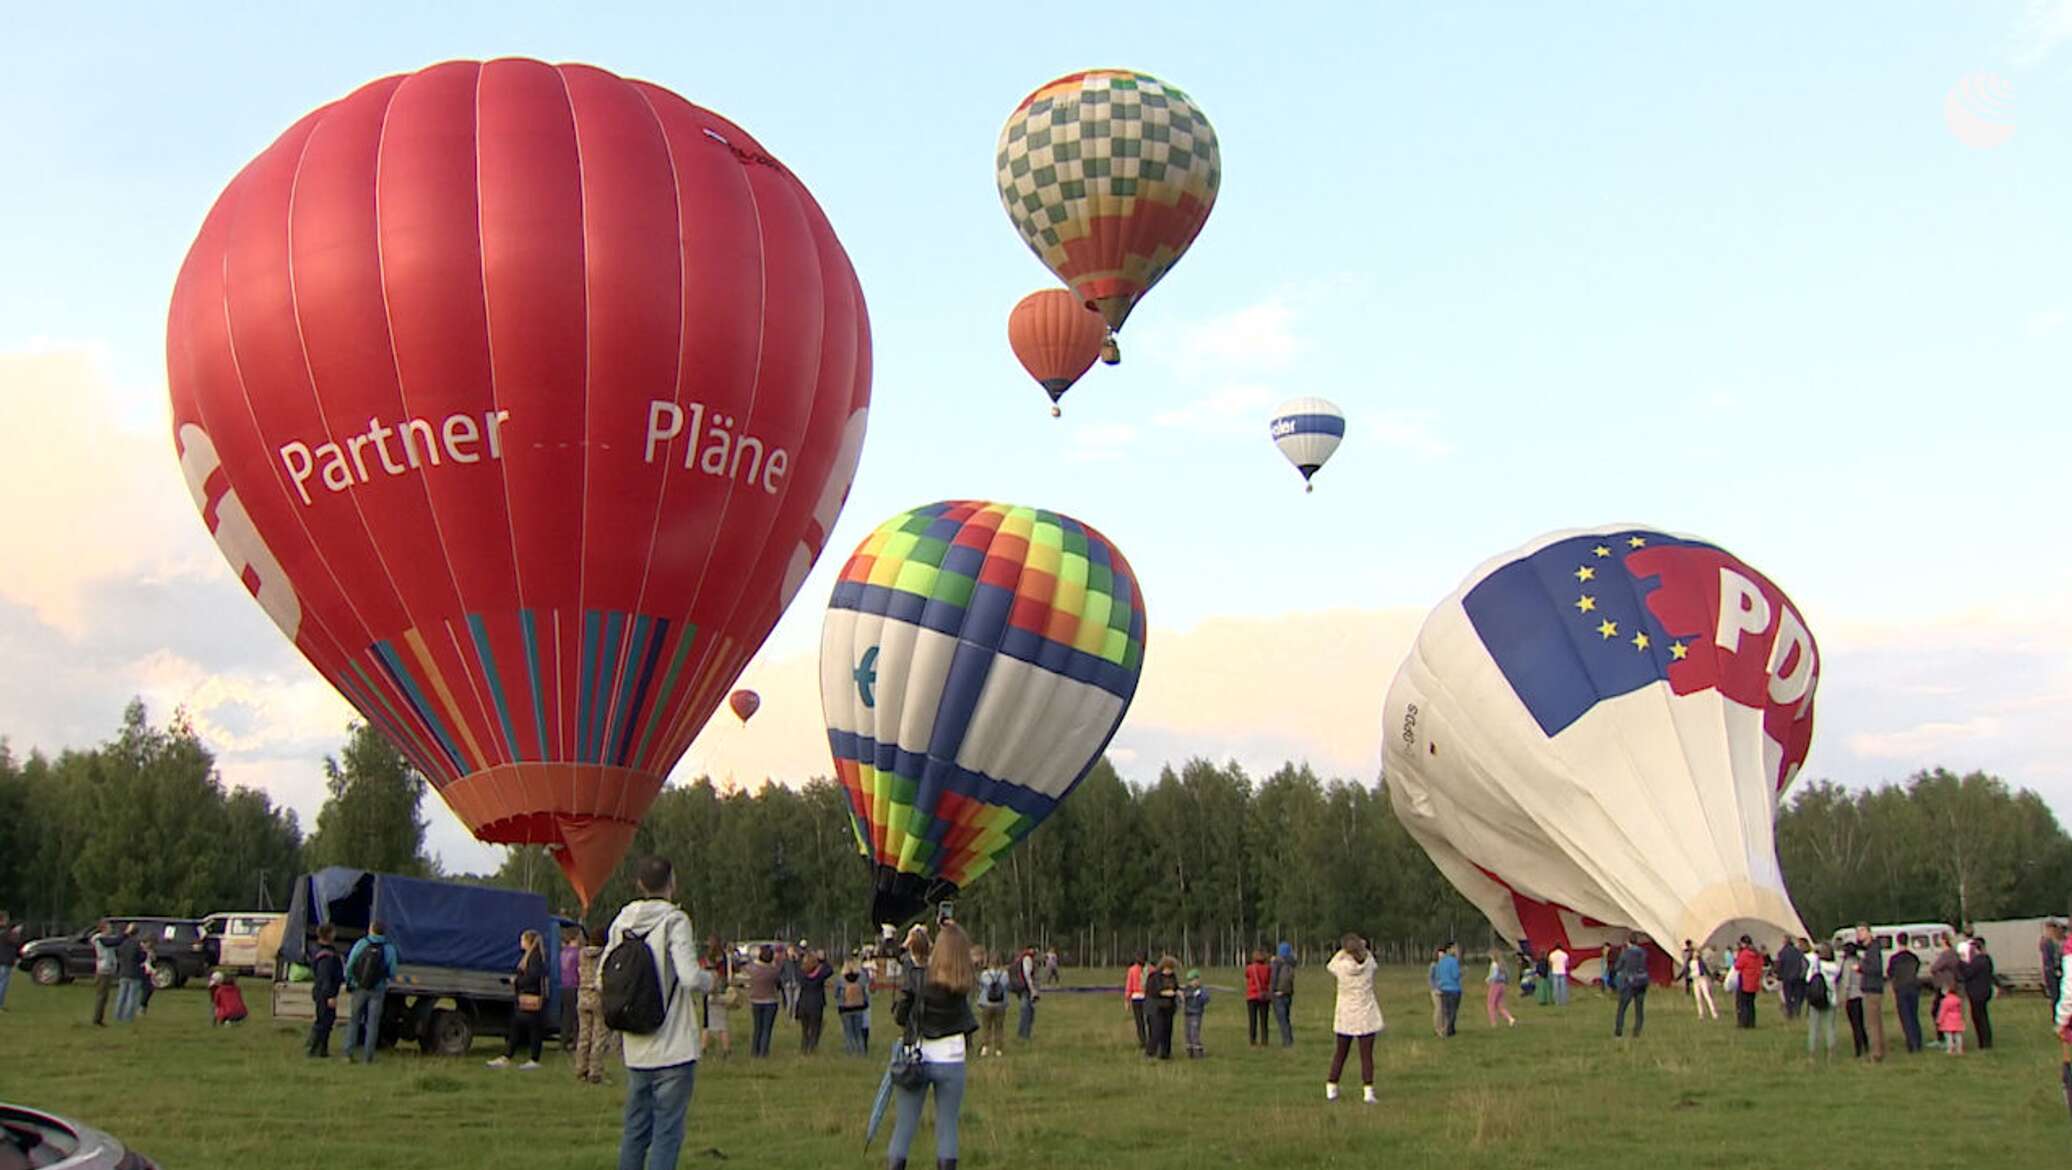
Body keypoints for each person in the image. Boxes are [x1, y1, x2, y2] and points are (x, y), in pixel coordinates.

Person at [608, 856, 713, 1170]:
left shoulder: (622, 921)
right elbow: (691, 977)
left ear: (640, 884)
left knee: (635, 1130)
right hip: (674, 1044)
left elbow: (605, 972)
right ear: (672, 882)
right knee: (667, 1131)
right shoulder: (675, 920)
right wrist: (712, 981)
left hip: (637, 1045)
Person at [888, 920, 979, 1170]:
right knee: (947, 1126)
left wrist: (909, 944)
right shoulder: (964, 981)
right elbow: (956, 953)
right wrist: (953, 930)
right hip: (951, 1056)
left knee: (905, 1126)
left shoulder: (918, 979)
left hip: (917, 1055)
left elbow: (900, 1018)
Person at [1325, 934, 1382, 1105]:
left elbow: (1330, 965)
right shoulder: (1369, 964)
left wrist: (1344, 951)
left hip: (1346, 1015)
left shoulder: (1341, 966)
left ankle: (1331, 1086)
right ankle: (1368, 1092)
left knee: (1340, 1054)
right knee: (1366, 1056)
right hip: (1366, 1015)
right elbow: (1371, 960)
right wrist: (1362, 948)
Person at [488, 928, 549, 1069]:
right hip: (524, 997)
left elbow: (533, 977)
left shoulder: (535, 957)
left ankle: (533, 1059)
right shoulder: (529, 956)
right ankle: (508, 1056)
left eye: (522, 939)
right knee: (516, 1027)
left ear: (528, 941)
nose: (520, 943)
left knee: (532, 1029)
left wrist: (517, 981)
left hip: (530, 998)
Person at [343, 920, 398, 1063]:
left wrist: (350, 981)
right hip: (378, 989)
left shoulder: (362, 944)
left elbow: (350, 964)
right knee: (372, 1023)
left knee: (354, 1020)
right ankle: (368, 1058)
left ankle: (348, 1053)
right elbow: (392, 972)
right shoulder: (389, 949)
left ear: (371, 929)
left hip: (359, 987)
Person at [576, 926, 613, 1084]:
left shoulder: (582, 954)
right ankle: (595, 1072)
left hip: (583, 996)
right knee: (598, 1037)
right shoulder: (605, 954)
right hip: (599, 997)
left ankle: (580, 1068)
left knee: (584, 1035)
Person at [307, 924, 345, 1058]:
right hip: (325, 992)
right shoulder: (327, 955)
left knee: (326, 1020)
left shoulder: (320, 951)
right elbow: (326, 976)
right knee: (324, 1021)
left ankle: (321, 1049)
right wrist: (330, 996)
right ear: (329, 935)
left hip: (321, 990)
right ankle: (315, 1050)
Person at [1852, 923, 1886, 1061]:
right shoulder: (1870, 948)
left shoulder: (1873, 949)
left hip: (1872, 989)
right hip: (1871, 988)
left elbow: (1876, 968)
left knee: (1872, 1023)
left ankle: (1876, 1054)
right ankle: (1877, 1051)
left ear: (1869, 932)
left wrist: (1860, 967)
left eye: (1862, 931)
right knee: (1874, 1022)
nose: (1859, 934)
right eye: (1858, 932)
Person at [1887, 935, 1924, 1054]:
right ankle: (1918, 1042)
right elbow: (1917, 968)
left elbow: (1890, 973)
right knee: (1914, 1016)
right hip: (1913, 987)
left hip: (1901, 988)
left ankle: (1911, 1043)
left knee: (1905, 1017)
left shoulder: (1894, 959)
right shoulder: (1914, 957)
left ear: (1897, 942)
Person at [1958, 935, 1995, 1051]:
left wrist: (1961, 963)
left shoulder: (1978, 961)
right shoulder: (1987, 959)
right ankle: (1986, 1041)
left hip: (1977, 992)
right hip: (1985, 991)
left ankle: (1984, 1042)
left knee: (1979, 1018)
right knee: (1983, 1016)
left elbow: (1968, 973)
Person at [745, 944, 781, 1059]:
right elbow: (779, 982)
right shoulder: (773, 970)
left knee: (757, 1027)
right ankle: (763, 1052)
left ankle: (754, 1051)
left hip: (755, 1000)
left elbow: (744, 969)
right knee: (766, 1029)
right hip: (771, 1001)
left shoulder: (752, 969)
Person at [700, 938, 734, 1060]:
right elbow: (728, 977)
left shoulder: (705, 960)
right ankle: (726, 1049)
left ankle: (703, 1047)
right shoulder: (724, 959)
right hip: (721, 992)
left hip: (707, 992)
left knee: (706, 1023)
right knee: (722, 1024)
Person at [1805, 943, 1840, 1057]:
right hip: (1831, 998)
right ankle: (1831, 1052)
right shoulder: (1835, 967)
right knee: (1830, 1027)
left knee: (1813, 1028)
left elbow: (1808, 978)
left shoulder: (1816, 966)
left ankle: (1812, 1053)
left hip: (1816, 998)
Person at [1612, 934, 1650, 1038]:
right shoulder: (1643, 952)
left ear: (1628, 942)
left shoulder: (1626, 953)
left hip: (1629, 982)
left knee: (1622, 1008)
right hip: (1642, 981)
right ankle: (1637, 1032)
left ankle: (1618, 1032)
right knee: (1639, 1009)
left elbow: (1617, 967)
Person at [975, 947, 1010, 1057]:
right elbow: (1006, 986)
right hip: (1000, 1004)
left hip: (987, 1003)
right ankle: (998, 1049)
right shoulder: (1004, 974)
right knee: (999, 1027)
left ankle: (985, 1047)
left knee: (986, 1026)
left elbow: (981, 987)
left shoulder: (985, 974)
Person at [795, 948, 831, 1055]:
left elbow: (797, 969)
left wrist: (799, 959)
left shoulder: (801, 975)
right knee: (815, 1028)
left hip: (803, 1004)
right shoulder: (819, 975)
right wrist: (823, 960)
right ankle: (812, 1047)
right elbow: (829, 970)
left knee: (805, 1030)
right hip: (816, 1004)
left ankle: (804, 1048)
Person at [1145, 954, 1180, 1060]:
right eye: (1169, 968)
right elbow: (1151, 991)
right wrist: (1164, 993)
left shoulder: (1173, 976)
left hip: (1169, 1008)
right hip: (1155, 1008)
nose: (1170, 971)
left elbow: (1175, 987)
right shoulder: (1154, 977)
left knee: (1167, 1031)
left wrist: (1178, 992)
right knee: (1156, 1031)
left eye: (1172, 969)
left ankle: (1165, 1054)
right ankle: (1150, 1053)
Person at [837, 958, 872, 1055]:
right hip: (859, 1007)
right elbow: (866, 992)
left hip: (845, 1008)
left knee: (848, 1033)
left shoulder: (841, 979)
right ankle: (861, 1051)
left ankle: (850, 1052)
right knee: (858, 1032)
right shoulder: (862, 977)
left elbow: (837, 994)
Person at [112, 924, 146, 1024]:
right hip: (134, 972)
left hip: (123, 971)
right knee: (132, 997)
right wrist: (144, 951)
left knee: (121, 995)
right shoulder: (136, 945)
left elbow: (118, 953)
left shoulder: (122, 944)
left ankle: (117, 1015)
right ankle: (128, 1017)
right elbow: (141, 958)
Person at [89, 920, 120, 1026]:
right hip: (103, 970)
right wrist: (125, 935)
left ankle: (99, 1018)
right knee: (101, 996)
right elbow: (113, 942)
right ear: (103, 928)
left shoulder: (105, 939)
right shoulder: (100, 939)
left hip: (107, 969)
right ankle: (97, 1019)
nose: (111, 929)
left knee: (104, 996)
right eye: (109, 927)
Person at [1841, 943, 1869, 1058]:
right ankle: (1866, 1044)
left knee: (1855, 1024)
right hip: (1861, 994)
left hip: (1852, 995)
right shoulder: (1860, 961)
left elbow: (1846, 981)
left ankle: (1858, 1049)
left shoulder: (1848, 963)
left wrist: (1844, 997)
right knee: (1861, 1023)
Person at [560, 927, 583, 1052]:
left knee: (566, 1016)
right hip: (575, 986)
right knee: (576, 1018)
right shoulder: (578, 954)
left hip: (564, 986)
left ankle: (563, 1041)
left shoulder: (564, 952)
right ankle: (575, 1042)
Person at [1270, 941, 1298, 1046]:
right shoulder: (1291, 962)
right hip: (1288, 992)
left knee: (1282, 1020)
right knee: (1286, 1017)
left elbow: (1273, 978)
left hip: (1278, 993)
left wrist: (1272, 991)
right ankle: (1289, 1039)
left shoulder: (1277, 963)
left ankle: (1287, 1041)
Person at [1432, 943, 1462, 1037]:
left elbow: (1437, 976)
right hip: (1454, 989)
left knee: (1446, 1011)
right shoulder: (1453, 961)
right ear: (1450, 950)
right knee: (1453, 1011)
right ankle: (1448, 1029)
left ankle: (1448, 1029)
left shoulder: (1440, 962)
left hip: (1444, 989)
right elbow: (1455, 975)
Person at [1244, 949, 1273, 1045]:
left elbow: (1247, 976)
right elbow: (1269, 980)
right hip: (1264, 995)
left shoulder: (1250, 968)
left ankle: (1253, 1040)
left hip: (1252, 995)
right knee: (1264, 1020)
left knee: (1253, 1020)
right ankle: (1265, 1040)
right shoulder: (1268, 968)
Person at [2040, 920, 2066, 1027]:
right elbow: (2048, 959)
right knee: (2055, 995)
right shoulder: (2046, 943)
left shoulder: (2057, 942)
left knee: (2060, 995)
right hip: (2051, 972)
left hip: (2058, 971)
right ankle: (2057, 1018)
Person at [1732, 936, 1762, 1029]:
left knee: (1742, 1003)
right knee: (1751, 1004)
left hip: (1745, 980)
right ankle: (1751, 1022)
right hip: (1754, 981)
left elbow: (1737, 966)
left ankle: (1743, 1023)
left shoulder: (1744, 954)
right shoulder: (1757, 954)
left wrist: (1737, 957)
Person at [1775, 935, 1806, 1020]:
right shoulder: (1798, 952)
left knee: (1788, 996)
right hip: (1797, 977)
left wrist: (1778, 975)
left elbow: (1779, 965)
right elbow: (1805, 963)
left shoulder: (1782, 952)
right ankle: (1797, 1012)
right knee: (1797, 996)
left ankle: (1790, 1013)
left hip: (1786, 977)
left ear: (1785, 942)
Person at [1014, 945, 1040, 1041]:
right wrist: (1033, 990)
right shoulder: (1027, 958)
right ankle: (1024, 1034)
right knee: (1027, 1012)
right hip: (1026, 988)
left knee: (1027, 1011)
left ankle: (1024, 1034)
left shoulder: (1023, 957)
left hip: (1023, 987)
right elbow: (1027, 975)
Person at [1486, 948, 1517, 1027]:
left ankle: (1493, 1022)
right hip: (1502, 985)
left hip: (1495, 984)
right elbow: (1506, 975)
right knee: (1500, 1005)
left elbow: (1494, 975)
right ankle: (1510, 1018)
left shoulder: (1494, 964)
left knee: (1491, 1003)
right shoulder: (1502, 964)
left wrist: (1488, 979)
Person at [1182, 968, 1209, 1058]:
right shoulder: (1187, 989)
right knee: (1187, 1033)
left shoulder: (1202, 990)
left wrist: (1199, 996)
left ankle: (1198, 1051)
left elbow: (1206, 999)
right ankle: (1190, 1050)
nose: (1193, 982)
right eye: (1190, 981)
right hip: (1187, 1013)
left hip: (1196, 1014)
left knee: (1194, 1032)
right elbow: (1183, 997)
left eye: (1194, 980)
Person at [1123, 952, 1148, 1050]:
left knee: (1140, 1021)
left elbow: (1129, 985)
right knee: (1147, 1020)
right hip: (1145, 997)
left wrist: (1127, 999)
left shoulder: (1132, 970)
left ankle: (1143, 1041)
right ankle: (1146, 1040)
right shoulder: (1150, 969)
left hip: (1137, 997)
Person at [1687, 945, 1718, 1020]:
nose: (1696, 954)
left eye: (1697, 952)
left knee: (1707, 996)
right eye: (1695, 952)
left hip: (1702, 979)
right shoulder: (1690, 962)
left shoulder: (1700, 962)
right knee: (1698, 997)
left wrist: (1711, 976)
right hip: (1695, 980)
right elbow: (1686, 971)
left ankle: (1714, 1013)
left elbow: (1705, 970)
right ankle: (1701, 1014)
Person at [1936, 983, 1966, 1055]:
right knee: (1958, 1035)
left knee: (1948, 1035)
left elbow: (1942, 1011)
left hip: (1948, 1020)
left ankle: (1950, 1048)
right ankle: (1959, 1049)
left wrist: (1939, 1020)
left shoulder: (1945, 1001)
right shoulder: (1958, 1000)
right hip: (1957, 1019)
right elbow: (1962, 1010)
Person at [0, 911, 19, 1011]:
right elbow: (14, 941)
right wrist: (15, 932)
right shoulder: (5, 932)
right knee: (3, 982)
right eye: (6, 919)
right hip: (5, 960)